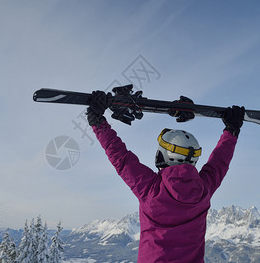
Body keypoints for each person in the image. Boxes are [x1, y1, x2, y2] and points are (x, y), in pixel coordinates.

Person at [86, 90, 245, 263]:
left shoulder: (151, 189)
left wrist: (98, 122)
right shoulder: (203, 189)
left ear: (164, 155)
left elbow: (121, 158)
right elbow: (220, 162)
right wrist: (232, 130)